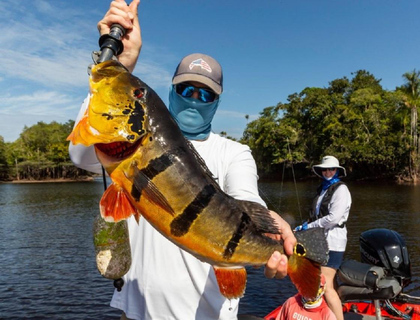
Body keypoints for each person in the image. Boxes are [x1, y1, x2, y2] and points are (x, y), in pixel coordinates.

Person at [68, 1, 296, 319]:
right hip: (137, 313)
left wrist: (272, 234)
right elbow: (79, 153)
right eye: (186, 88)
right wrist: (122, 63)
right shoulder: (131, 147)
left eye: (205, 94)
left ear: (217, 101)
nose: (193, 98)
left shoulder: (235, 153)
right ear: (172, 91)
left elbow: (245, 198)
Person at [294, 155, 351, 320]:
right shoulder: (323, 189)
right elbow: (317, 216)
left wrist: (309, 227)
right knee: (328, 283)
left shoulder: (341, 190)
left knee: (325, 286)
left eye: (331, 169)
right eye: (324, 169)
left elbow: (333, 218)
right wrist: (303, 226)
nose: (327, 172)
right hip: (320, 241)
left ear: (337, 171)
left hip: (334, 242)